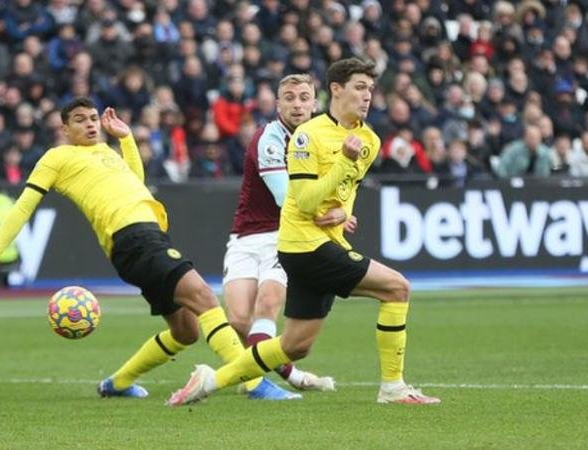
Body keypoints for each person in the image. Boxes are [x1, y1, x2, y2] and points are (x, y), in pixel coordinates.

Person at [0, 97, 296, 400]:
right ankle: (253, 382)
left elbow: (136, 183)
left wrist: (125, 139)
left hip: (147, 238)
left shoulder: (108, 152)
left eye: (94, 118)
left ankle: (118, 383)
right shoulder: (57, 157)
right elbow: (23, 206)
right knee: (205, 298)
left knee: (185, 331)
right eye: (80, 120)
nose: (90, 124)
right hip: (133, 237)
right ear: (65, 129)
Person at [169, 58, 441, 406]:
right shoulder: (306, 136)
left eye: (370, 89)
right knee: (397, 288)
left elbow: (347, 190)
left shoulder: (368, 139)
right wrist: (343, 160)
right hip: (303, 244)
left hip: (325, 241)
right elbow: (305, 201)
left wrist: (345, 211)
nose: (367, 96)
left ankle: (210, 381)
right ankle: (393, 387)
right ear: (336, 91)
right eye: (360, 87)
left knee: (294, 345)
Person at [223, 73, 335, 392]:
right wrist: (329, 213)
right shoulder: (268, 139)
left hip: (284, 236)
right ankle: (293, 376)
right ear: (277, 104)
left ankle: (259, 385)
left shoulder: (323, 140)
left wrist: (337, 210)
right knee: (239, 321)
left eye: (303, 97)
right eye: (289, 97)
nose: (297, 104)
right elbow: (287, 198)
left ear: (315, 103)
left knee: (268, 301)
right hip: (246, 236)